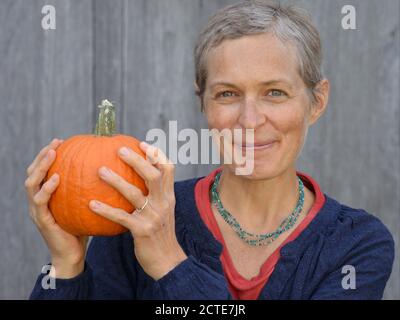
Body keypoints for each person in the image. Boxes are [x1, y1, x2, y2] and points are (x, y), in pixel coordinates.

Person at [26, 0, 394, 300]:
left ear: (317, 101)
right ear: (203, 103)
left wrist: (170, 263)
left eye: (275, 92)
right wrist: (66, 264)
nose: (250, 120)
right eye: (227, 94)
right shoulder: (137, 216)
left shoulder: (357, 244)